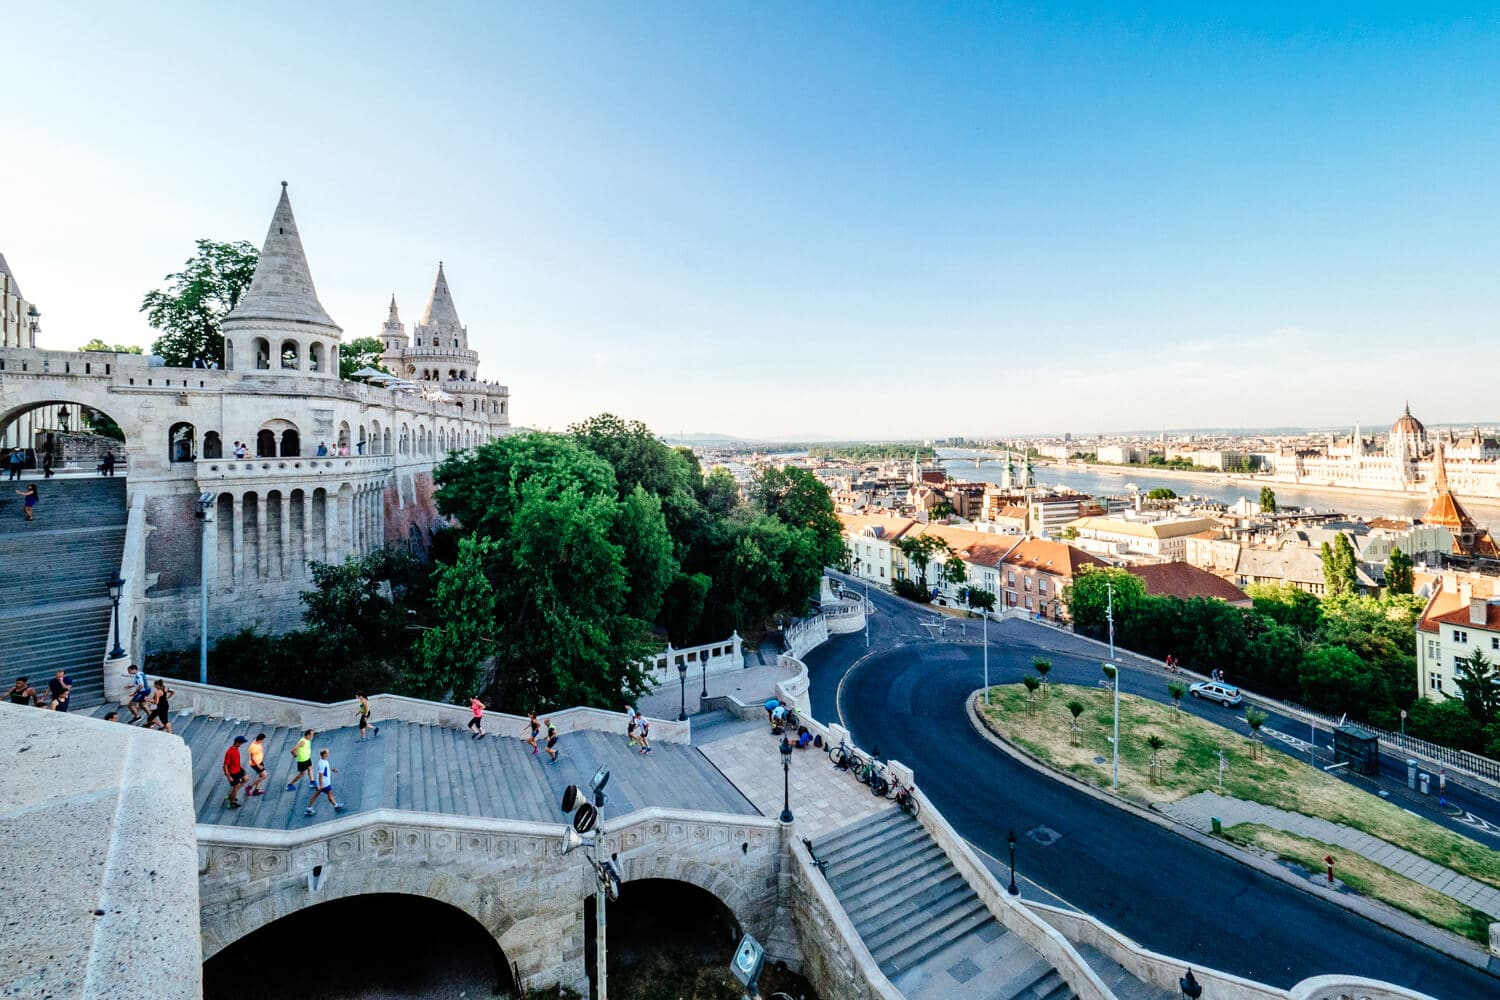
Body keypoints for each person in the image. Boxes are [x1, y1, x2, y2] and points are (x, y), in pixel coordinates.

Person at [304, 748, 345, 816]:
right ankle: (335, 805)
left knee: (323, 794)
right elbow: (321, 774)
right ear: (324, 754)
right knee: (328, 793)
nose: (328, 754)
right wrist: (321, 785)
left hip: (323, 783)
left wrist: (332, 769)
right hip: (324, 783)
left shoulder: (324, 761)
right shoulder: (322, 763)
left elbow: (326, 769)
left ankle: (309, 808)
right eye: (327, 753)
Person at [223, 735, 248, 809]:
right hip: (233, 773)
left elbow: (236, 760)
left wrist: (241, 767)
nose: (242, 744)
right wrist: (229, 776)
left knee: (246, 778)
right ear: (237, 742)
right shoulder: (229, 752)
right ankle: (231, 802)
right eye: (241, 743)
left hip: (238, 769)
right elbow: (225, 766)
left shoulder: (236, 749)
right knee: (235, 787)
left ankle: (231, 795)